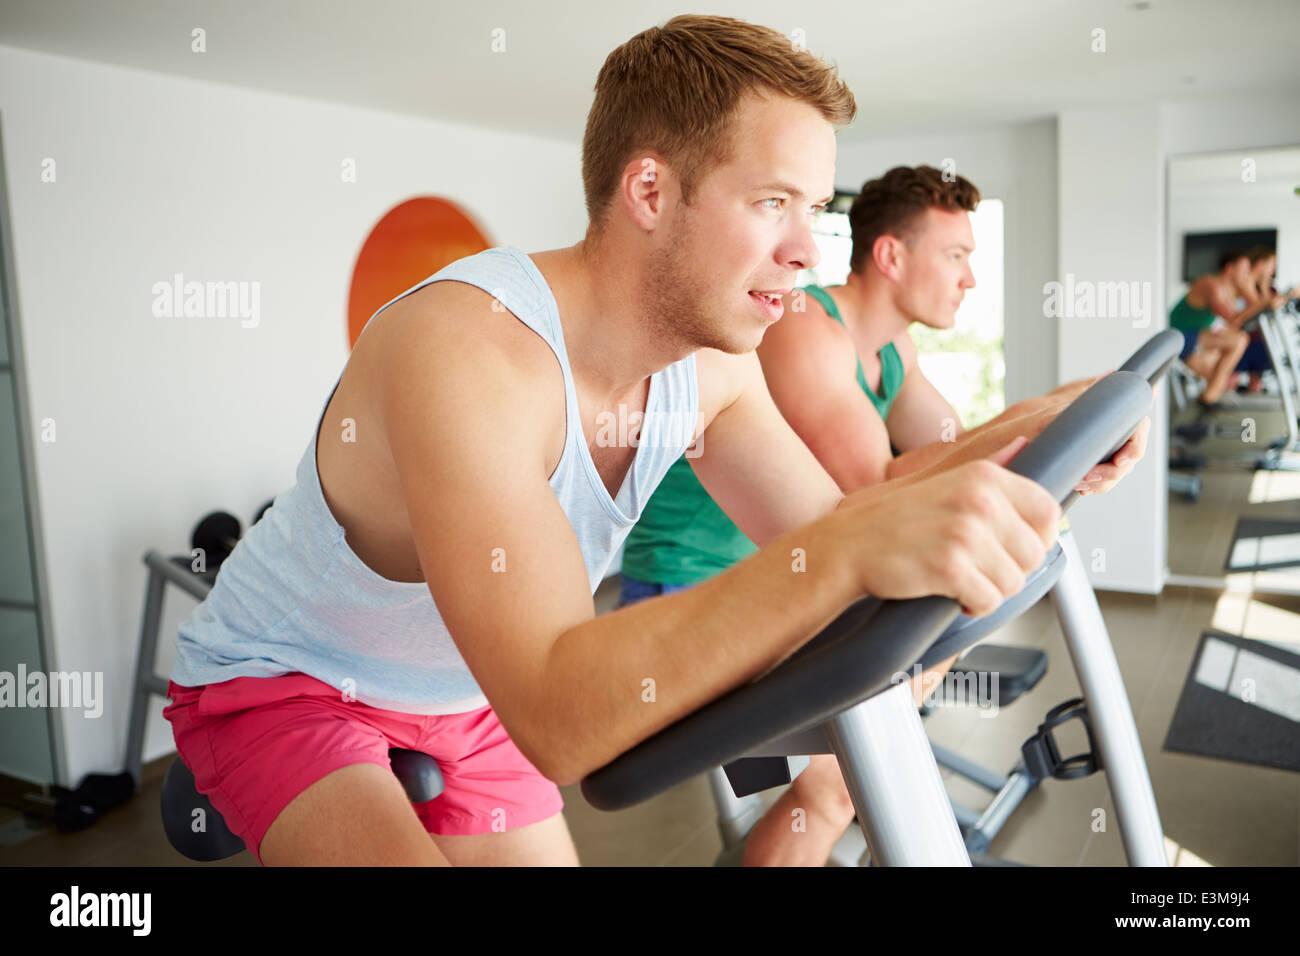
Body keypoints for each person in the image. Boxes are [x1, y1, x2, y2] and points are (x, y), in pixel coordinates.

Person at [164, 15, 1147, 867]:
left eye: (814, 210)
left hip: (470, 693)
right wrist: (847, 549)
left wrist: (1041, 425)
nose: (807, 249)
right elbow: (557, 711)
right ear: (648, 192)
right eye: (773, 202)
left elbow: (828, 525)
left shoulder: (709, 370)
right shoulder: (466, 350)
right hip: (291, 681)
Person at [619, 164, 1136, 865]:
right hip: (692, 592)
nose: (969, 279)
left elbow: (950, 448)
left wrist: (1050, 422)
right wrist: (1039, 417)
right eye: (956, 256)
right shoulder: (805, 327)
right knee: (834, 788)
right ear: (891, 256)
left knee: (861, 756)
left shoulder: (894, 349)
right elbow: (877, 487)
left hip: (780, 582)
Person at [1169, 251, 1254, 408]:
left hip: (1192, 339)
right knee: (1240, 340)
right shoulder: (1210, 284)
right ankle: (1209, 398)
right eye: (1244, 270)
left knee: (1221, 373)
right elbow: (1234, 318)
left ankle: (1204, 409)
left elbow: (1233, 325)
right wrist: (1251, 294)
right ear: (1230, 269)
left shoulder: (1227, 292)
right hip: (1176, 336)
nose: (1247, 275)